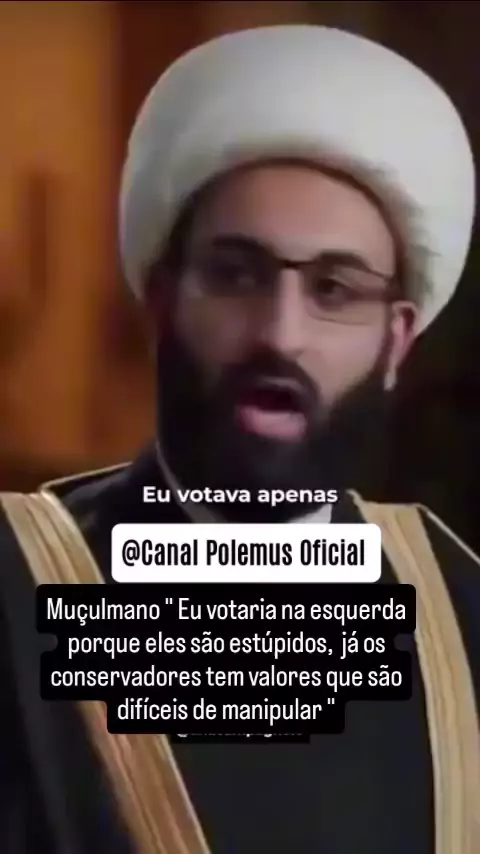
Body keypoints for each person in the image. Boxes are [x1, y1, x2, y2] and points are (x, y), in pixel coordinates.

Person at [0, 25, 478, 854]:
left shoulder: (458, 611)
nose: (279, 335)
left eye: (334, 289)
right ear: (161, 302)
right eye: (235, 275)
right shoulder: (15, 593)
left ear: (397, 339)